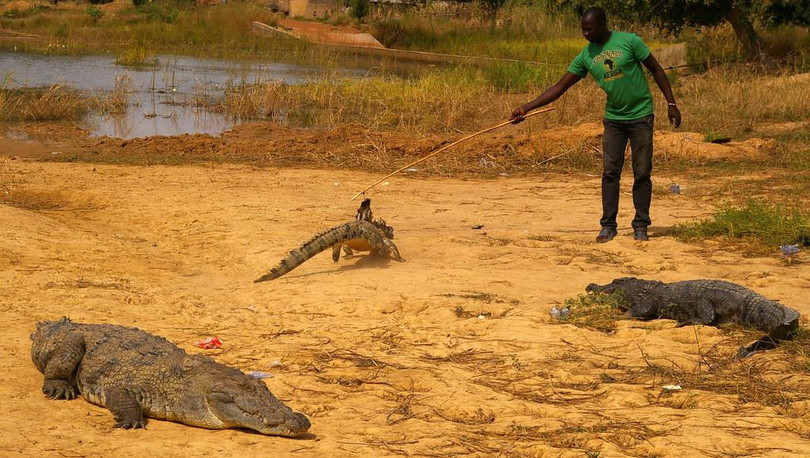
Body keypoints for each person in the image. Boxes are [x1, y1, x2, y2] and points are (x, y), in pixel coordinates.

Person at [511, 6, 681, 243]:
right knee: (610, 172)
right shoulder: (586, 56)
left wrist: (671, 103)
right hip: (614, 120)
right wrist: (526, 108)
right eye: (583, 30)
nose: (586, 34)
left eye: (590, 29)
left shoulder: (630, 41)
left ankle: (641, 225)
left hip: (641, 116)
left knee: (642, 172)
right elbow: (560, 86)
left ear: (603, 24)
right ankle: (608, 226)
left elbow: (656, 70)